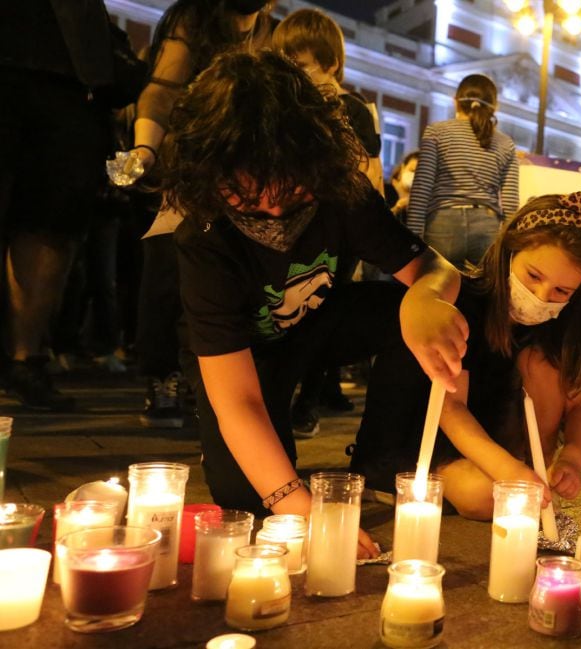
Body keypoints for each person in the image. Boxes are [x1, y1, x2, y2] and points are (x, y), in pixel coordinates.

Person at [160, 51, 467, 553]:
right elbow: (238, 399)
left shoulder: (339, 193)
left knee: (419, 315)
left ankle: (381, 460)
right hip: (243, 357)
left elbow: (437, 270)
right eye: (247, 195)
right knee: (247, 496)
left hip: (316, 323)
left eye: (291, 191)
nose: (273, 211)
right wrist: (301, 506)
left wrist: (425, 301)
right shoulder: (204, 236)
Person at [351, 192, 581, 520]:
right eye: (533, 276)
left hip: (484, 447)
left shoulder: (555, 326)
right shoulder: (464, 305)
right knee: (491, 497)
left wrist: (571, 459)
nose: (541, 296)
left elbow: (580, 405)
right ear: (509, 251)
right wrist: (508, 472)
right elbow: (452, 410)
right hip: (417, 442)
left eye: (562, 291)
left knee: (542, 365)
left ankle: (533, 473)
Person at [125, 0, 274, 428]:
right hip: (189, 165)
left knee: (223, 282)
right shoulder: (195, 17)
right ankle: (162, 377)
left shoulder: (266, 29)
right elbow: (161, 90)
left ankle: (204, 380)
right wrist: (144, 149)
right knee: (169, 269)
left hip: (241, 175)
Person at [0, 1, 144, 410]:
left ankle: (25, 359)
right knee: (49, 227)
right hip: (60, 68)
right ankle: (24, 358)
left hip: (69, 70)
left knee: (53, 225)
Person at [272, 7, 387, 437]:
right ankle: (279, 400)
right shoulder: (281, 105)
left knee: (323, 312)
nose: (290, 73)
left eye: (298, 63)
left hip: (337, 230)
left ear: (330, 64)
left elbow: (364, 161)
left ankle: (308, 402)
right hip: (292, 226)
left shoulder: (350, 107)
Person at [407, 74, 520, 269]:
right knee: (480, 293)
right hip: (487, 226)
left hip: (443, 222)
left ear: (455, 101)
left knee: (436, 289)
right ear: (495, 107)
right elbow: (510, 203)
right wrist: (509, 247)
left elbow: (421, 189)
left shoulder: (436, 132)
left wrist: (412, 241)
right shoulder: (506, 144)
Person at [272, 7, 384, 196]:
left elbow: (367, 172)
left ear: (332, 64)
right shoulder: (287, 108)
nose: (291, 76)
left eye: (301, 66)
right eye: (283, 67)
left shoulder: (354, 109)